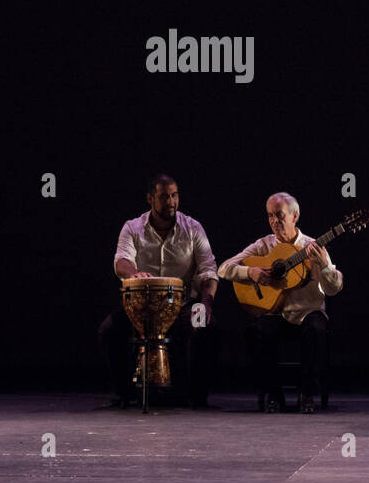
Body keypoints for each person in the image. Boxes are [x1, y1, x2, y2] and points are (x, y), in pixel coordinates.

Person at [98, 175, 219, 408]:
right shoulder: (132, 228)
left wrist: (206, 303)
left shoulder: (193, 228)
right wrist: (134, 273)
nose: (171, 201)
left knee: (209, 328)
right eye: (164, 196)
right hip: (143, 307)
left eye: (174, 195)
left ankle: (197, 395)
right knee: (109, 330)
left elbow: (208, 271)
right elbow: (121, 261)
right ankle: (123, 393)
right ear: (150, 199)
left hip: (183, 305)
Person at [219, 192, 342, 414]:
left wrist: (324, 265)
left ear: (295, 216)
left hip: (308, 313)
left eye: (280, 215)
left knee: (315, 328)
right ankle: (273, 394)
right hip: (276, 314)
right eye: (270, 216)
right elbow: (223, 268)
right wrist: (251, 272)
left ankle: (307, 394)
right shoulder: (263, 246)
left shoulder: (312, 247)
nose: (275, 221)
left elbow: (334, 289)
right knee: (256, 331)